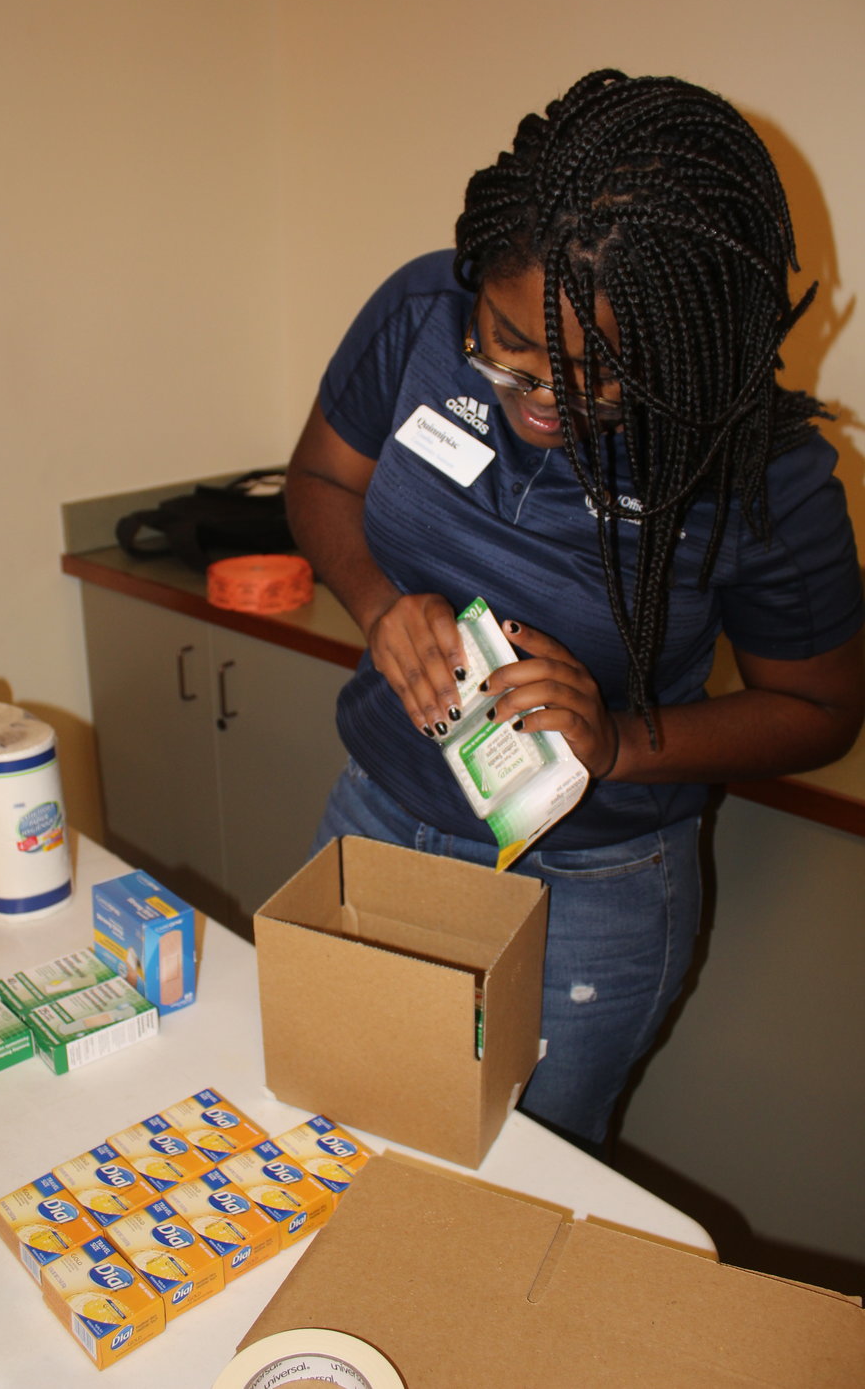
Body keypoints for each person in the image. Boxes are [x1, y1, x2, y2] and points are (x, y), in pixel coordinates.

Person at [284, 69, 865, 1156]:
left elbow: (822, 706)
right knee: (337, 1131)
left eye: (602, 377)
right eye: (506, 341)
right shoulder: (418, 313)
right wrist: (376, 602)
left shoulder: (760, 469)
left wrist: (619, 741)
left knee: (520, 1176)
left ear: (686, 344)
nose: (539, 392)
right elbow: (318, 481)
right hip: (380, 816)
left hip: (585, 882)